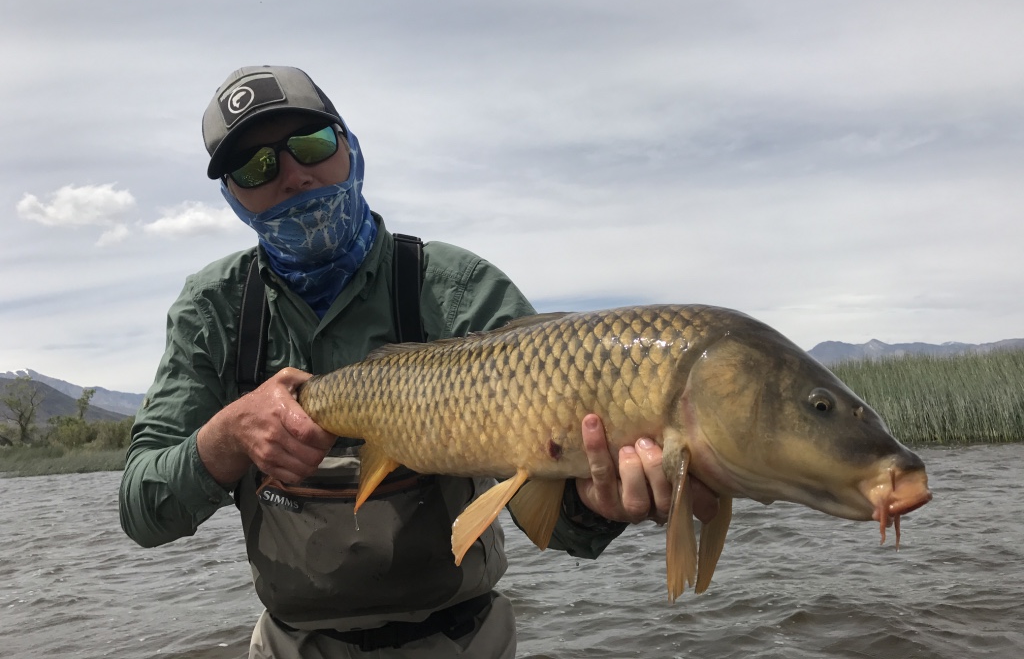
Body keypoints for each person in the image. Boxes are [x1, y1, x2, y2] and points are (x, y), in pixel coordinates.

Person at [119, 65, 717, 658]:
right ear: (231, 197)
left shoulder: (456, 288)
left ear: (351, 150)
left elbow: (555, 524)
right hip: (291, 645)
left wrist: (596, 505)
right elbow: (142, 509)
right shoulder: (213, 308)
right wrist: (225, 438)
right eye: (255, 166)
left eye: (312, 144)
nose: (294, 175)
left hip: (461, 639)